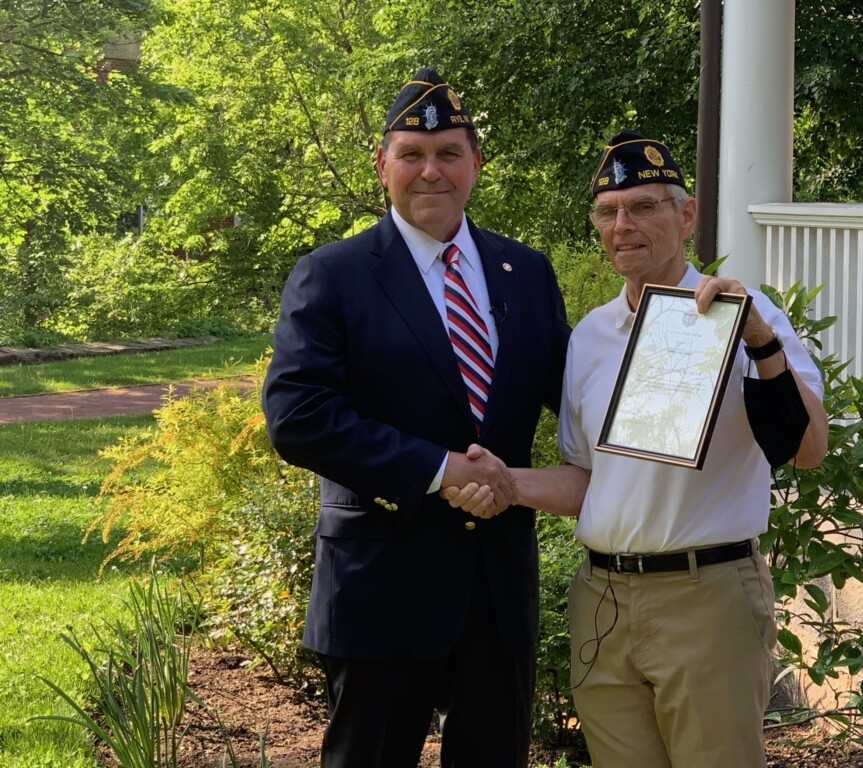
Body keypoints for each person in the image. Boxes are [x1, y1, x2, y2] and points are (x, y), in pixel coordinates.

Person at [444, 130, 828, 767]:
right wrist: (503, 480)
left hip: (705, 596)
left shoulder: (744, 315)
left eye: (645, 207)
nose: (623, 225)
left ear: (686, 215)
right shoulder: (591, 336)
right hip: (603, 601)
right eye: (608, 211)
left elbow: (808, 449)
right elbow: (589, 478)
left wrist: (758, 342)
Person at [261, 66, 570, 768]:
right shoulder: (333, 274)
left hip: (496, 590)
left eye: (449, 154)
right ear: (383, 166)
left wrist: (687, 334)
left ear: (476, 164)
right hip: (381, 586)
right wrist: (439, 470)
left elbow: (578, 392)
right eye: (412, 155)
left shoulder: (527, 271)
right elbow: (297, 415)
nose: (431, 171)